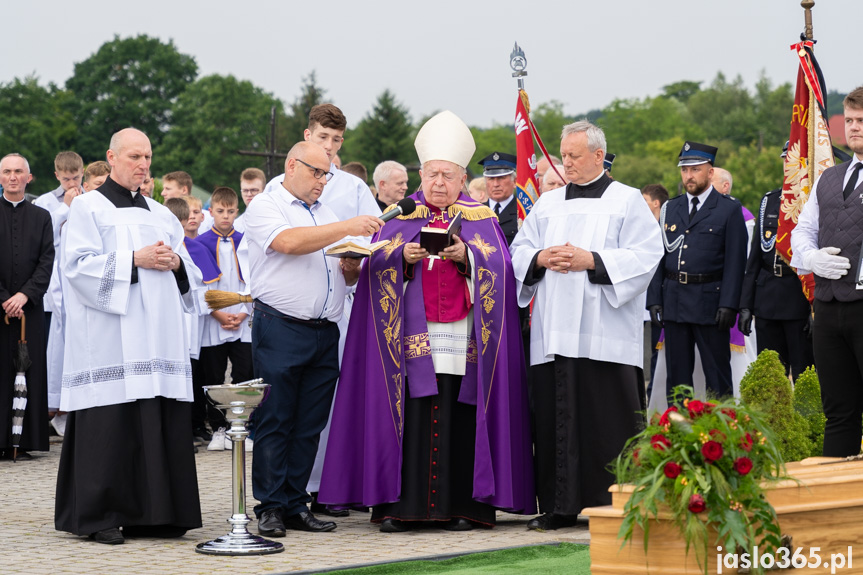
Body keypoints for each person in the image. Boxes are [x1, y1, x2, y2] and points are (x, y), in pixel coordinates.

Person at [319, 110, 535, 533]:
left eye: (448, 175)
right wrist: (400, 257)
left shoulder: (482, 220)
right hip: (407, 340)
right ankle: (399, 508)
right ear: (421, 174)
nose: (439, 183)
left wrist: (468, 258)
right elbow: (372, 265)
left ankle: (463, 508)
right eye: (432, 174)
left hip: (462, 335)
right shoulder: (398, 217)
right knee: (412, 412)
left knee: (460, 411)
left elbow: (502, 271)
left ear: (461, 178)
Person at [510, 121, 662, 530]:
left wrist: (592, 260)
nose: (567, 163)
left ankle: (615, 503)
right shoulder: (548, 203)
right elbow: (518, 250)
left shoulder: (627, 200)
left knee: (606, 419)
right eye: (564, 156)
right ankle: (559, 506)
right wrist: (540, 258)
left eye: (575, 156)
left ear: (599, 156)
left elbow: (648, 254)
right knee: (555, 418)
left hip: (605, 334)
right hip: (554, 331)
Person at [55, 128, 202, 545]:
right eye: (135, 156)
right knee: (112, 425)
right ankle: (101, 514)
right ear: (112, 157)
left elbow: (190, 275)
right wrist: (133, 260)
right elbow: (77, 267)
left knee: (157, 419)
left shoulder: (161, 214)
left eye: (148, 157)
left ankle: (159, 514)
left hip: (157, 339)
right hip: (111, 339)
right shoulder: (87, 208)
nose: (143, 165)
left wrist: (175, 263)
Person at [244, 141, 384, 536]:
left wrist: (353, 264)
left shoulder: (328, 213)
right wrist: (348, 228)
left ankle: (295, 502)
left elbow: (343, 274)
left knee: (309, 424)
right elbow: (288, 243)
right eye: (317, 172)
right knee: (276, 419)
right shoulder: (266, 205)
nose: (323, 182)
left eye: (327, 175)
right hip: (281, 327)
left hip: (325, 329)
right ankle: (269, 506)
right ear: (292, 165)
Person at [790, 87, 863, 457]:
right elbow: (802, 230)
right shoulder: (829, 178)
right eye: (849, 120)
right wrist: (812, 258)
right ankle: (841, 509)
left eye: (861, 121)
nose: (853, 128)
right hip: (829, 308)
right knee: (838, 412)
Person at [646, 142, 747, 404]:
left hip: (710, 303)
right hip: (675, 301)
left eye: (695, 169)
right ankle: (677, 435)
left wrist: (729, 304)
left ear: (710, 172)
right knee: (677, 379)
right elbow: (658, 257)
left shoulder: (728, 209)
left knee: (717, 377)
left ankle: (722, 436)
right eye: (684, 169)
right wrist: (654, 298)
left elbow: (736, 263)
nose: (689, 175)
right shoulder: (671, 208)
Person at [739, 144, 814, 380]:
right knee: (771, 378)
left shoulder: (814, 200)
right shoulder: (769, 201)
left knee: (804, 375)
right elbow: (754, 259)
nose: (788, 165)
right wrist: (746, 306)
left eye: (794, 161)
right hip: (768, 300)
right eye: (785, 160)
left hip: (799, 299)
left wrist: (816, 311)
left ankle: (805, 419)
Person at [0, 153, 54, 460]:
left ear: (28, 178)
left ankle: (28, 438)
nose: (13, 177)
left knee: (29, 369)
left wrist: (24, 296)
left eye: (18, 171)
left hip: (29, 310)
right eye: (7, 171)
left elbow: (47, 262)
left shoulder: (42, 216)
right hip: (0, 308)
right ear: (0, 177)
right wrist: (5, 298)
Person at [194, 187, 252, 451]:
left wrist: (242, 312)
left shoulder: (247, 242)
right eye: (220, 211)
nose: (225, 216)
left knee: (245, 374)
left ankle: (242, 427)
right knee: (214, 375)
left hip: (242, 319)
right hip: (213, 321)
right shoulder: (201, 243)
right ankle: (218, 427)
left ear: (236, 212)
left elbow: (255, 280)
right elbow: (199, 285)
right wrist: (217, 312)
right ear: (211, 212)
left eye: (230, 211)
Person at [479, 152, 519, 246]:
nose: (496, 184)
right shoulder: (476, 211)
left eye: (501, 178)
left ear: (514, 181)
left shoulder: (522, 212)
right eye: (491, 179)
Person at [234, 167, 265, 234]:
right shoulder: (236, 226)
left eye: (254, 190)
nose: (249, 194)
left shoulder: (275, 219)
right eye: (245, 190)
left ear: (264, 190)